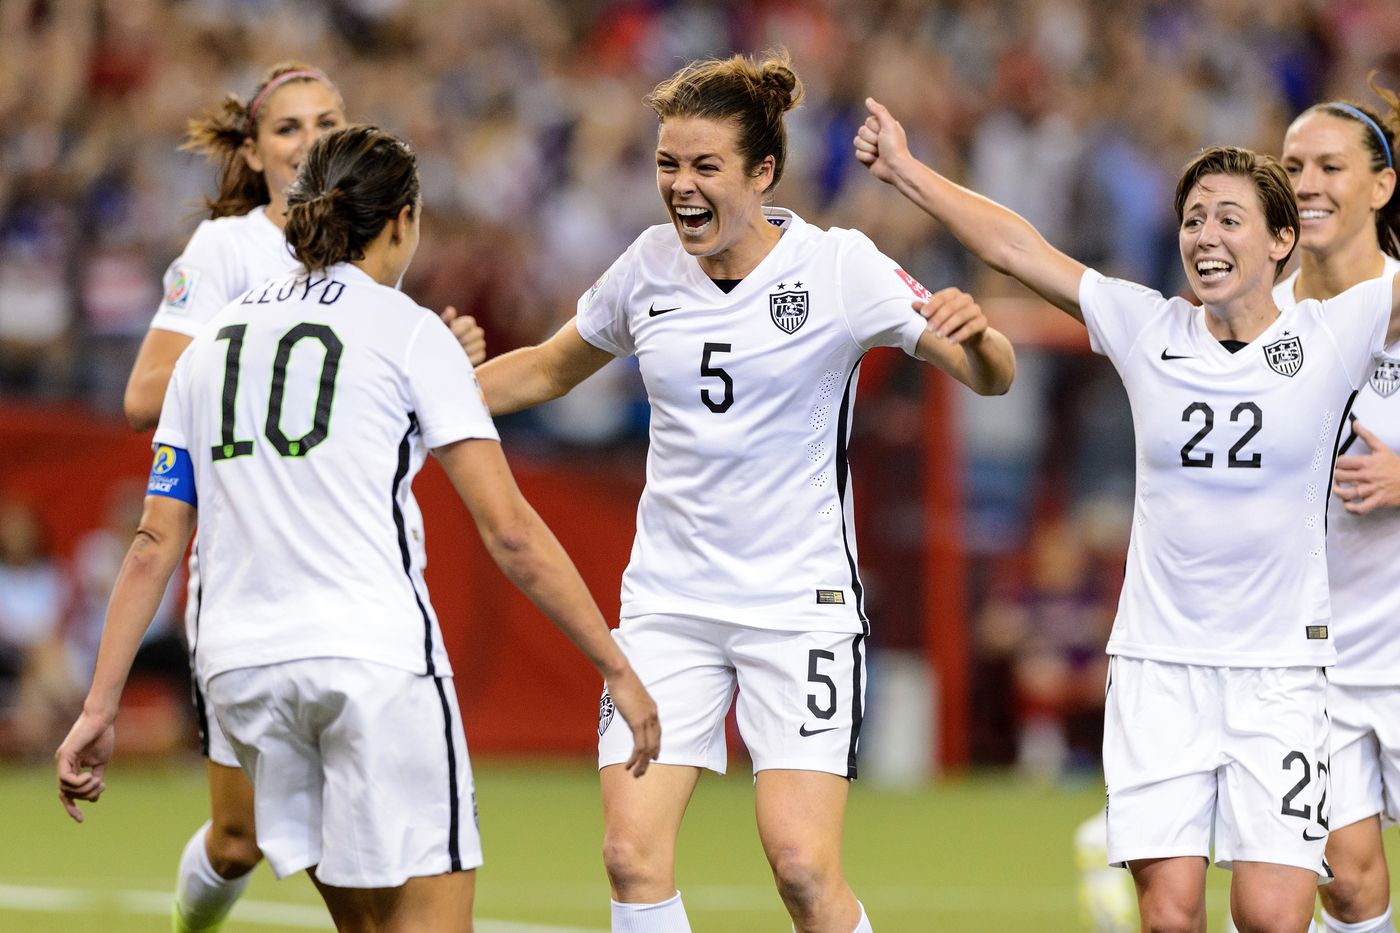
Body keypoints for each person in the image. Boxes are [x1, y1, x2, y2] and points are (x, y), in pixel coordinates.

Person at [55, 125, 659, 933]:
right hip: (372, 664)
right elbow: (509, 530)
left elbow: (153, 542)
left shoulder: (210, 346)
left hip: (243, 674)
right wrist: (614, 665)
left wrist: (98, 707)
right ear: (402, 220)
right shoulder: (408, 330)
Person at [475, 51, 1015, 933]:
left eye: (704, 167)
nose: (680, 187)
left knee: (803, 869)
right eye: (666, 164)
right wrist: (417, 397)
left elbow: (990, 375)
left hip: (797, 604)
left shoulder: (839, 268)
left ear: (763, 172)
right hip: (670, 603)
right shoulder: (647, 267)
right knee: (629, 854)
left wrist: (982, 338)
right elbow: (543, 369)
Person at [855, 100, 1400, 932]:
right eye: (1192, 220)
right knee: (1170, 914)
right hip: (1157, 668)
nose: (1206, 236)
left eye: (1229, 219)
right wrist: (906, 171)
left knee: (1273, 913)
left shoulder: (1337, 330)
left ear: (1281, 241)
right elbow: (1018, 248)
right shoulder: (1149, 327)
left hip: (1283, 677)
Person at [121, 63, 485, 933]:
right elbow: (144, 394)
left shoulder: (366, 260)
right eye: (287, 127)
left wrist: (439, 362)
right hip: (247, 568)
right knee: (238, 838)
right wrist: (259, 338)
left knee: (349, 868)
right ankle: (190, 919)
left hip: (333, 580)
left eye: (327, 121)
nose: (309, 140)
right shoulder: (229, 251)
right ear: (252, 151)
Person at [1273, 79, 1400, 933]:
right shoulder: (1257, 319)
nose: (1306, 182)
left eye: (1328, 166)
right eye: (1290, 167)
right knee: (1349, 886)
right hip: (1312, 660)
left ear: (1381, 184)